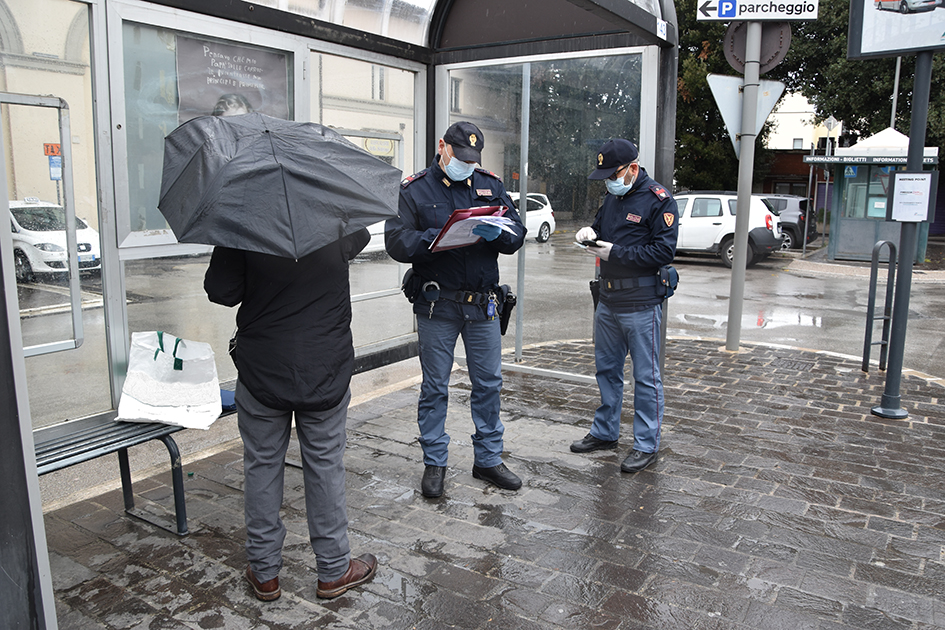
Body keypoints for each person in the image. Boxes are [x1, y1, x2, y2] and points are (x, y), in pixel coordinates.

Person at [204, 229, 378, 602]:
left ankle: (264, 573)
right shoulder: (332, 208)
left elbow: (221, 291)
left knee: (262, 465)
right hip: (324, 366)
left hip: (263, 367)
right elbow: (357, 241)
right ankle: (333, 571)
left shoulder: (245, 219)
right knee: (325, 465)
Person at [385, 121, 526, 498]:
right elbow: (396, 241)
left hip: (482, 305)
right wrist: (438, 237)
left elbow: (518, 231)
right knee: (435, 387)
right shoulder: (414, 190)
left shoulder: (489, 184)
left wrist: (503, 234)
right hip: (437, 305)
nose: (465, 164)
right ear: (442, 148)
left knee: (489, 385)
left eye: (471, 159)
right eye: (459, 156)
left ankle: (489, 459)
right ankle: (435, 462)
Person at [570, 138, 678, 473]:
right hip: (608, 299)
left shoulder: (658, 200)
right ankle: (605, 432)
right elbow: (602, 230)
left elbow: (663, 252)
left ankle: (647, 444)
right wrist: (589, 234)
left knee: (646, 378)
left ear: (632, 168)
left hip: (642, 302)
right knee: (607, 371)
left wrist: (615, 253)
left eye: (612, 175)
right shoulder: (613, 198)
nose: (609, 182)